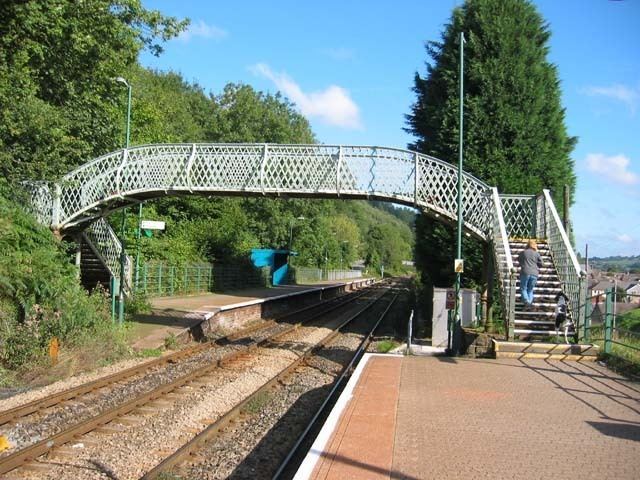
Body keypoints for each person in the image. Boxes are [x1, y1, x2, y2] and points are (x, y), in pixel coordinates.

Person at [518, 239, 543, 310]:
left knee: (523, 288)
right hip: (535, 273)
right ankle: (529, 304)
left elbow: (519, 260)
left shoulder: (523, 253)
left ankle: (527, 302)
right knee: (530, 290)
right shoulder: (537, 254)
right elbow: (541, 264)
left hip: (525, 272)